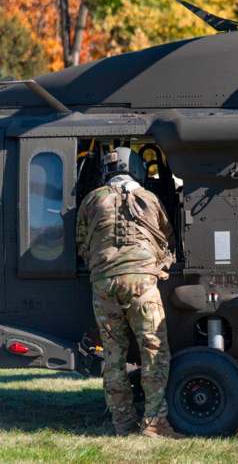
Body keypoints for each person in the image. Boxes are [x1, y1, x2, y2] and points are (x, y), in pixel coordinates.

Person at [75, 147, 180, 438]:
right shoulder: (149, 198)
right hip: (142, 283)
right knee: (154, 352)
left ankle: (122, 423)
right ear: (136, 169)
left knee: (113, 355)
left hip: (104, 283)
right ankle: (154, 423)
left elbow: (81, 243)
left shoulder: (91, 199)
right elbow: (168, 236)